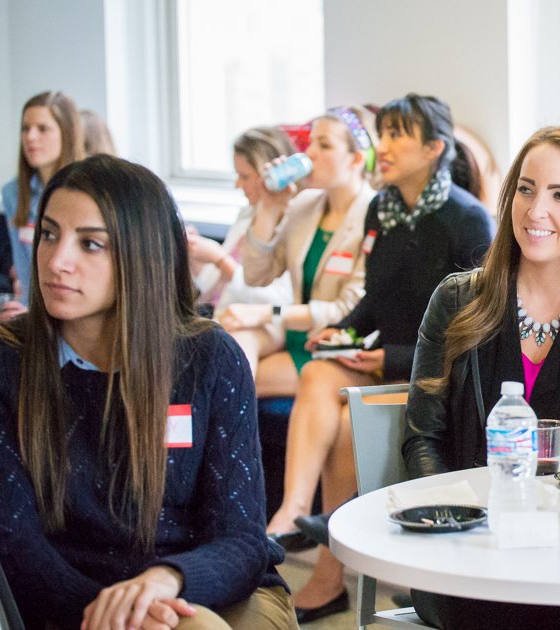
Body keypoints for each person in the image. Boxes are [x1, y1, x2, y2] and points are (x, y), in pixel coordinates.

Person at [0, 155, 296, 629]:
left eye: (90, 244)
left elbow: (241, 541)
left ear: (143, 254)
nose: (58, 261)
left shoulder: (209, 357)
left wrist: (166, 580)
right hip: (70, 601)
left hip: (214, 586)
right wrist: (124, 613)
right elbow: (14, 550)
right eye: (49, 234)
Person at [403, 119, 560, 629]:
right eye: (526, 189)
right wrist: (463, 521)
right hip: (470, 558)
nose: (535, 210)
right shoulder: (458, 300)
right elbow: (422, 439)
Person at [266, 94, 493, 623]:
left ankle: (327, 575)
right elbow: (374, 298)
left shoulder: (467, 219)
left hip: (436, 376)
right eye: (382, 133)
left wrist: (389, 358)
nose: (381, 147)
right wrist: (343, 332)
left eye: (396, 135)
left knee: (349, 422)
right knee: (321, 368)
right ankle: (296, 510)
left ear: (434, 148)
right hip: (387, 364)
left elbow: (473, 334)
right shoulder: (382, 209)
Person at [232, 105, 373, 396]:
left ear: (356, 159)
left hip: (334, 345)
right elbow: (256, 275)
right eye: (310, 142)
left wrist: (265, 313)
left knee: (229, 379)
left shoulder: (373, 216)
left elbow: (346, 309)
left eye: (324, 145)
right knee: (234, 339)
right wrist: (269, 209)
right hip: (292, 334)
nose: (310, 153)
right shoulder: (304, 205)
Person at [187, 127, 295, 318]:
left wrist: (221, 260)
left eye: (244, 176)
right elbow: (215, 291)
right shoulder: (246, 214)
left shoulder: (294, 221)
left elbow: (278, 302)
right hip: (218, 317)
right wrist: (195, 261)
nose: (238, 184)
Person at [0, 90, 85, 321]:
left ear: (66, 134)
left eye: (42, 129)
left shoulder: (90, 191)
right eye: (25, 128)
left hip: (76, 309)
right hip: (34, 307)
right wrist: (24, 312)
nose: (31, 137)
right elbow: (24, 267)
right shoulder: (13, 193)